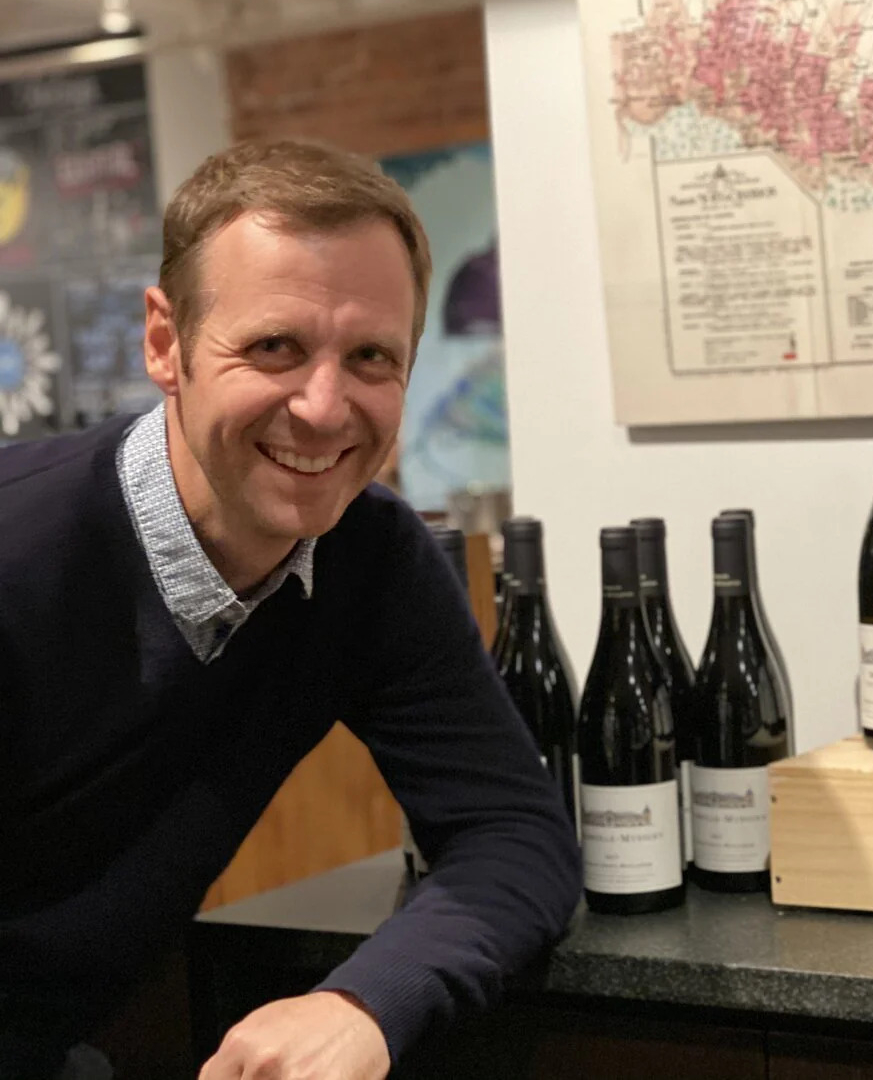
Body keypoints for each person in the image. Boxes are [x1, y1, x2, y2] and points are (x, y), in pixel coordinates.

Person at [0, 139, 582, 1079]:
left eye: (370, 357)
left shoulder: (374, 558)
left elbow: (512, 830)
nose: (323, 407)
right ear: (166, 344)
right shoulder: (19, 555)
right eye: (275, 347)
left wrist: (364, 1003)